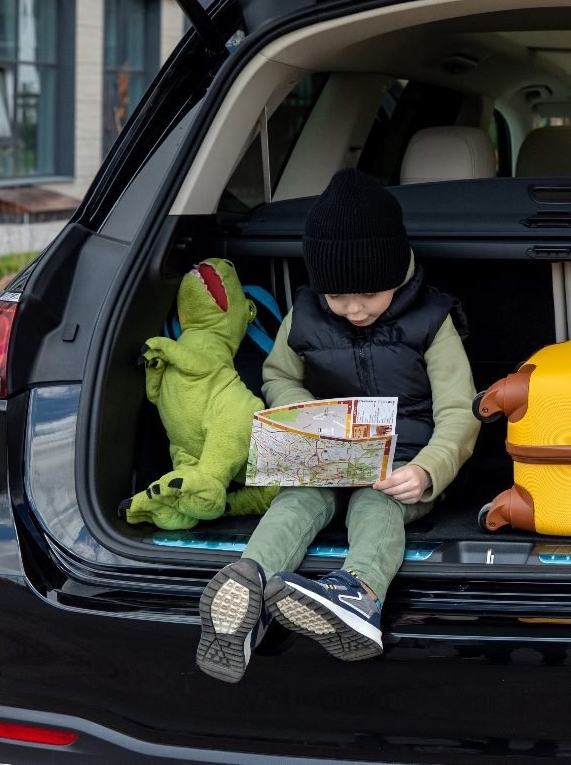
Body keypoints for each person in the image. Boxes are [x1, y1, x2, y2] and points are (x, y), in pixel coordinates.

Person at [196, 168, 479, 680]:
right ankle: (247, 583)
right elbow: (278, 376)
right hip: (326, 455)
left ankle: (358, 594)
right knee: (296, 502)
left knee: (376, 507)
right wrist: (313, 420)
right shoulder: (303, 315)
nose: (352, 310)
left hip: (400, 467)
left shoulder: (432, 320)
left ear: (396, 272)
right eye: (338, 297)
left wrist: (429, 471)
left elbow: (460, 411)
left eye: (369, 295)